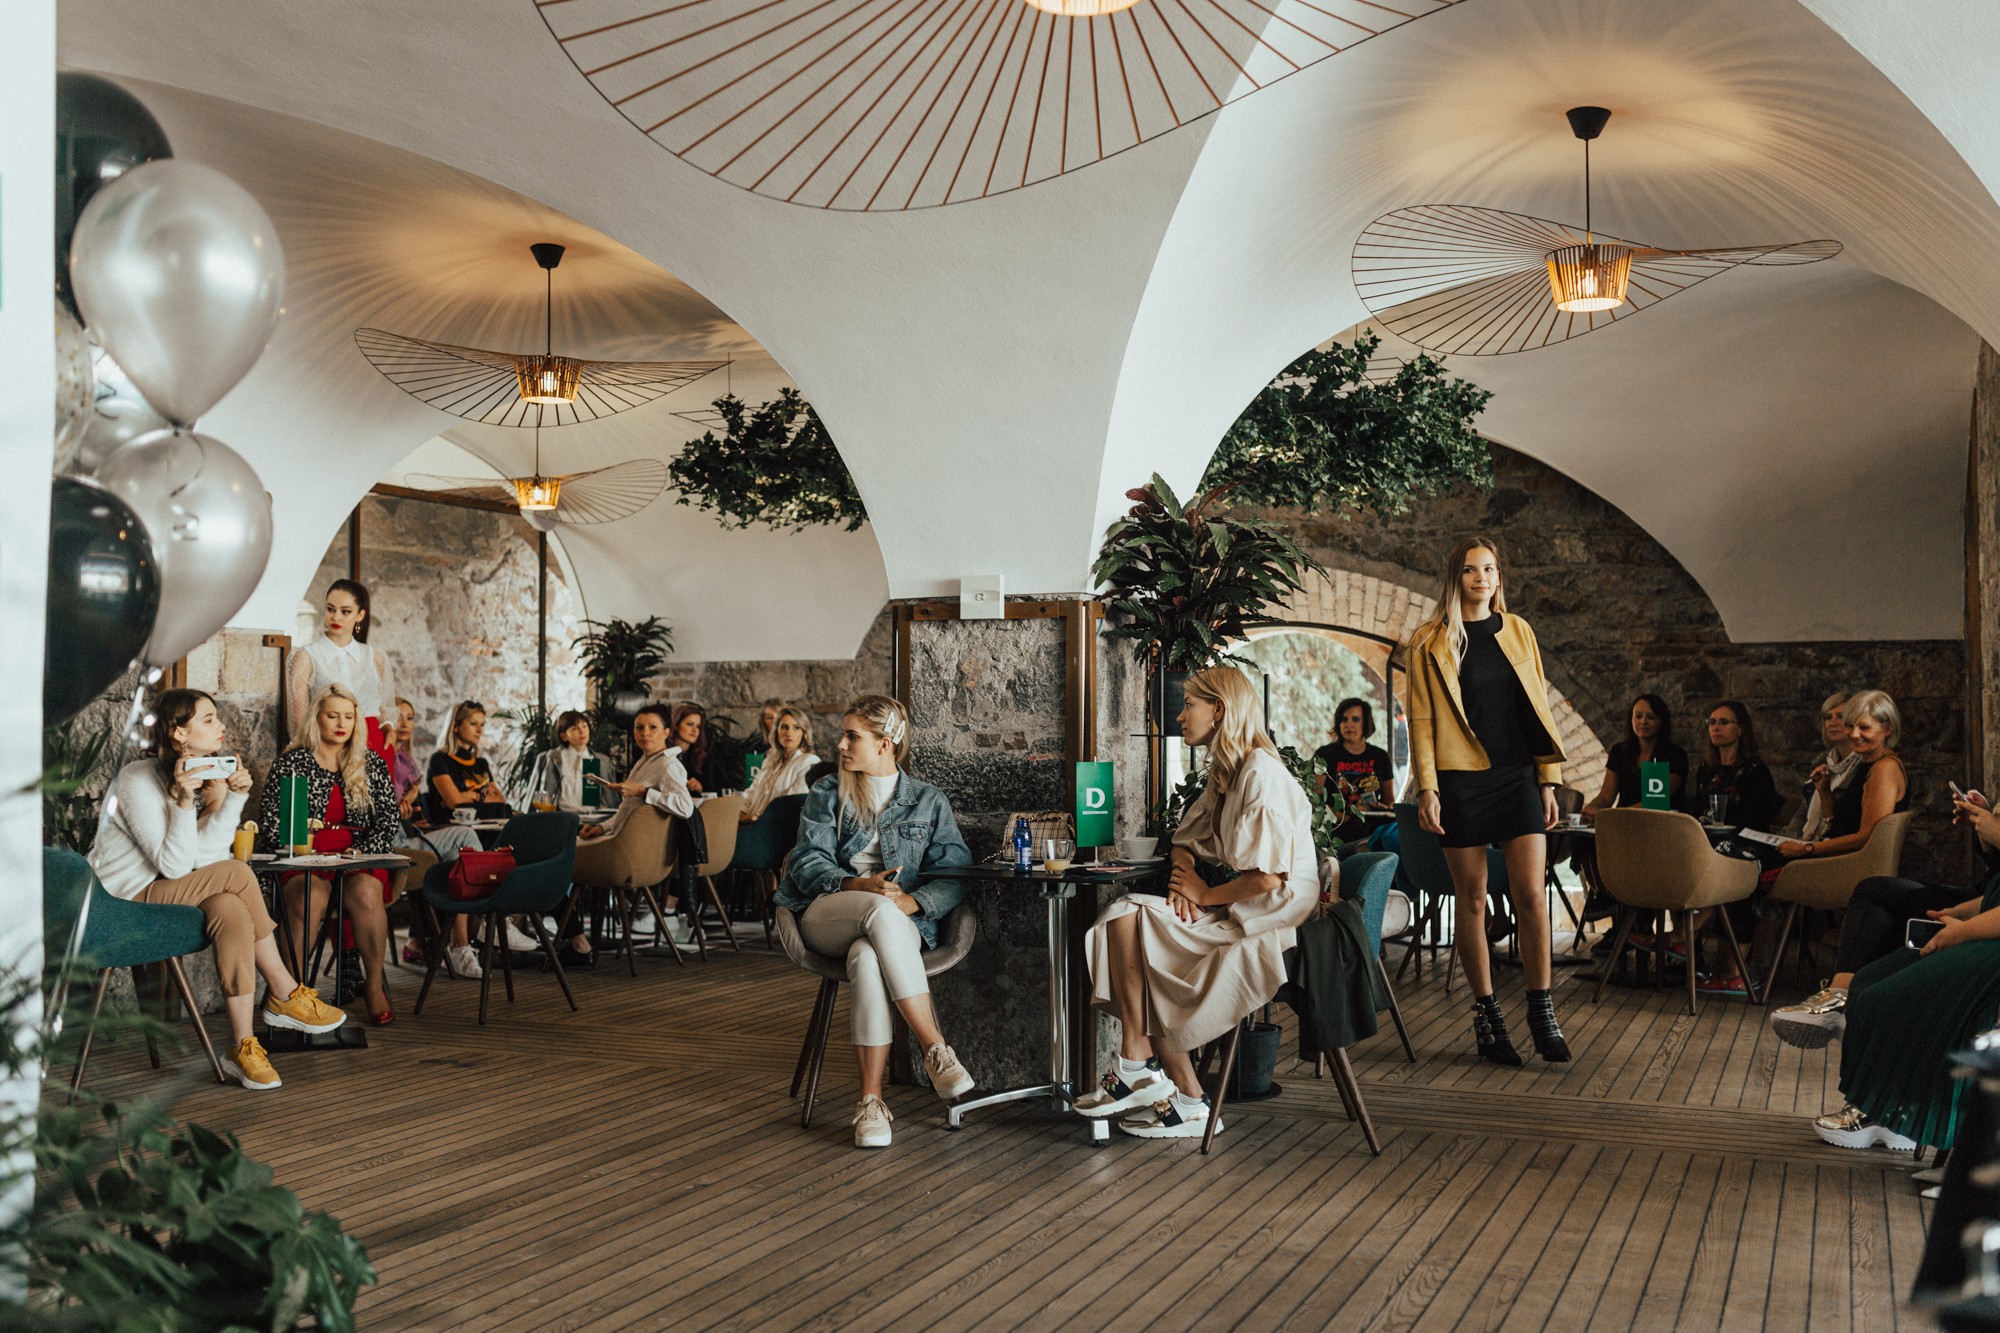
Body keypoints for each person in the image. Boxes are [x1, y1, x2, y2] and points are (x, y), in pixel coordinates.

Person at [1078, 666, 1318, 1140]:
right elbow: (1185, 839)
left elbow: (1268, 877)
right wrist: (1179, 884)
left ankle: (1168, 1086)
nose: (1180, 716)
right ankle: (1151, 1073)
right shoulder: (1228, 774)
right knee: (1125, 919)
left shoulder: (1261, 774)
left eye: (1189, 705)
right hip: (1244, 914)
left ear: (1219, 710)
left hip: (1273, 925)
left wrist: (1203, 894)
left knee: (1143, 946)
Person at [88, 688, 349, 1091]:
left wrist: (230, 800)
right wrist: (183, 801)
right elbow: (176, 865)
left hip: (164, 891)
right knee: (238, 875)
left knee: (230, 907)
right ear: (179, 733)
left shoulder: (203, 775)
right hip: (118, 901)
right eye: (208, 719)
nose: (221, 726)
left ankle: (242, 1046)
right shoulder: (137, 779)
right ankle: (284, 991)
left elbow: (205, 859)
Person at [775, 694, 976, 1149]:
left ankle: (870, 1102)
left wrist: (914, 902)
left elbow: (955, 875)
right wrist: (857, 884)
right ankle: (934, 1047)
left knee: (867, 958)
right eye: (843, 735)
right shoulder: (828, 792)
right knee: (877, 910)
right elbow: (806, 863)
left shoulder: (928, 801)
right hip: (829, 911)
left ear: (885, 744)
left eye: (852, 737)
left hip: (895, 925)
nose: (841, 745)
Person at [1407, 536, 1571, 1066]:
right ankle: (1488, 1018)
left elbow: (1538, 706)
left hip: (1517, 775)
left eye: (1491, 569)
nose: (1483, 578)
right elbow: (1421, 721)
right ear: (1456, 578)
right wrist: (1427, 788)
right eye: (1472, 570)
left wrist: (1547, 780)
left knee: (1531, 894)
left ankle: (1541, 1011)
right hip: (1460, 780)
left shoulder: (1519, 630)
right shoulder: (1429, 641)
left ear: (1499, 577)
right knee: (1472, 899)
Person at [1806, 791, 2000, 1154]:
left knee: (1889, 998)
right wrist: (1960, 912)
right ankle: (1888, 1113)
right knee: (1867, 982)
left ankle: (1894, 1113)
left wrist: (1962, 931)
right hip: (1986, 928)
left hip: (1993, 948)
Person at [1764, 691, 1918, 1044]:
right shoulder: (1866, 765)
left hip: (1855, 868)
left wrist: (1807, 848)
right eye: (1851, 727)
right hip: (1848, 860)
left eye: (1864, 728)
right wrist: (1826, 795)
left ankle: (1748, 966)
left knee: (1760, 867)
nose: (1854, 735)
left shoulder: (1884, 769)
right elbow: (1844, 825)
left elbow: (1865, 837)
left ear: (1887, 729)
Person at [258, 685, 404, 1025]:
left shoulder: (370, 763)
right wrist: (302, 846)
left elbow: (388, 819)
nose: (342, 724)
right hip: (304, 855)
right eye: (333, 716)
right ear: (316, 718)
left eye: (349, 717)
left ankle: (374, 987)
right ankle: (291, 992)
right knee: (308, 897)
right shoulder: (292, 762)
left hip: (357, 856)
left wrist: (363, 850)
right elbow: (271, 820)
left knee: (367, 893)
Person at [288, 579, 395, 770]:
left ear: (360, 615)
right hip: (328, 748)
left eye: (345, 611)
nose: (336, 617)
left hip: (375, 745)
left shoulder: (376, 657)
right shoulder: (306, 656)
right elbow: (299, 723)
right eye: (331, 609)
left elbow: (385, 708)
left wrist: (389, 728)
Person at [1583, 694, 1688, 817]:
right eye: (1638, 716)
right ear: (1631, 719)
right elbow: (1606, 796)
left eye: (1650, 717)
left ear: (1661, 721)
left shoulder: (1674, 755)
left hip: (1660, 822)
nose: (1643, 722)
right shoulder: (1619, 751)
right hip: (1622, 822)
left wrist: (1615, 815)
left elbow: (1654, 803)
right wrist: (1592, 807)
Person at [1314, 696, 1395, 843]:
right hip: (1336, 832)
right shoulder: (1325, 754)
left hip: (1373, 830)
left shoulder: (1380, 756)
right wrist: (1342, 818)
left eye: (1356, 719)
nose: (1348, 724)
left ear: (1366, 723)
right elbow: (1314, 797)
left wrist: (1382, 809)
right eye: (1344, 719)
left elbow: (1389, 800)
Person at [1693, 701, 1780, 831]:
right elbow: (1698, 811)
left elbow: (1756, 821)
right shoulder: (1706, 768)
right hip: (1707, 836)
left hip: (1743, 836)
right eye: (1712, 722)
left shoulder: (1755, 771)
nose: (1716, 727)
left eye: (1723, 722)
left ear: (1740, 729)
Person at [424, 701, 507, 826]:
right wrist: (484, 797)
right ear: (455, 726)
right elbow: (455, 802)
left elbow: (500, 800)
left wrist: (470, 796)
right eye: (473, 724)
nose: (479, 730)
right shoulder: (440, 760)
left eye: (482, 725)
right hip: (454, 829)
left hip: (487, 825)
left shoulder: (481, 763)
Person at [526, 709, 617, 813]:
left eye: (584, 726)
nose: (582, 731)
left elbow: (611, 798)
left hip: (595, 819)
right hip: (561, 818)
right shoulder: (553, 758)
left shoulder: (602, 761)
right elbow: (542, 795)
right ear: (564, 736)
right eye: (574, 728)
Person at [1797, 691, 1859, 841]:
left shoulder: (1862, 767)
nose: (1832, 722)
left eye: (1840, 716)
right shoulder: (1823, 762)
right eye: (1827, 717)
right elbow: (1802, 813)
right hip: (1808, 841)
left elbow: (1850, 826)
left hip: (1837, 846)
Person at [740, 707, 818, 824]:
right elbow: (750, 794)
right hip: (750, 824)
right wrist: (740, 813)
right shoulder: (769, 761)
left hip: (775, 828)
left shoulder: (809, 761)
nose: (789, 733)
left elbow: (791, 804)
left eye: (796, 728)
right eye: (784, 727)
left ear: (804, 733)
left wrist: (754, 819)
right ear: (777, 731)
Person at [670, 702, 713, 795]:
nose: (695, 730)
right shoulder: (665, 753)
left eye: (698, 726)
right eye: (690, 724)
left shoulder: (701, 755)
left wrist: (700, 787)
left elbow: (711, 789)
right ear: (676, 725)